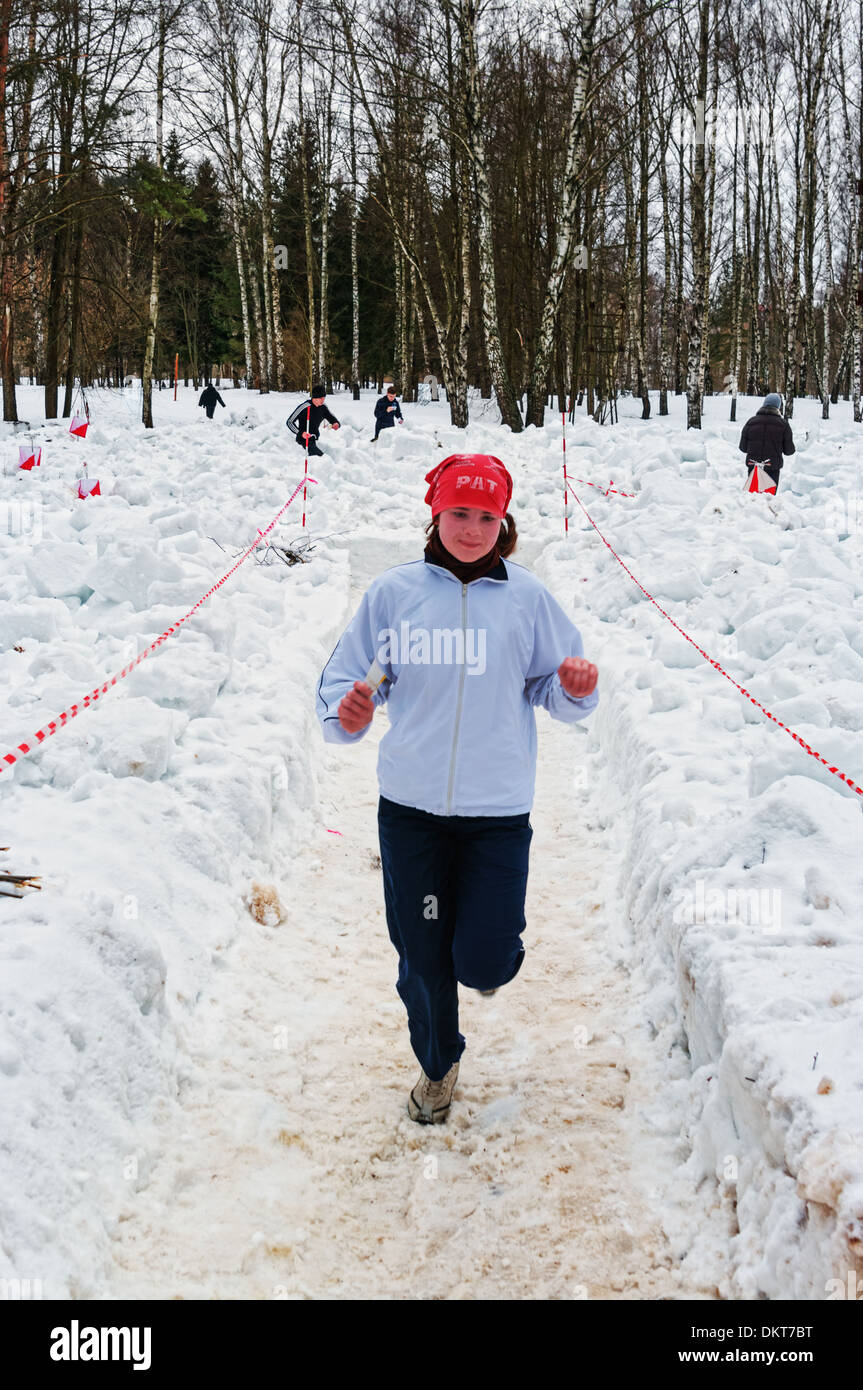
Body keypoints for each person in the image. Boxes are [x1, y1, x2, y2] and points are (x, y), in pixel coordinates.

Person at [316, 453, 599, 1125]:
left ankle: (490, 958)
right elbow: (359, 677)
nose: (470, 529)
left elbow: (549, 685)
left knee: (482, 962)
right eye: (458, 514)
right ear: (434, 515)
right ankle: (437, 1065)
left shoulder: (528, 599)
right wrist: (349, 711)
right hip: (410, 808)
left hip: (497, 810)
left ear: (503, 524)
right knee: (420, 950)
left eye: (485, 517)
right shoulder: (395, 595)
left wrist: (571, 687)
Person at [738, 392, 795, 492]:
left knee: (753, 499)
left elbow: (743, 447)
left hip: (754, 466)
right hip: (772, 468)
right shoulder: (783, 425)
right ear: (778, 407)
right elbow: (789, 451)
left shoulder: (751, 422)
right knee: (768, 500)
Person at [286, 385, 340, 457]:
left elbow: (331, 418)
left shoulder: (323, 408)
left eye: (324, 398)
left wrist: (336, 423)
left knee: (322, 458)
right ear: (315, 397)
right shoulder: (305, 407)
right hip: (303, 440)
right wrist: (301, 433)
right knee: (322, 458)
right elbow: (289, 422)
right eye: (321, 398)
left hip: (313, 439)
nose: (323, 400)